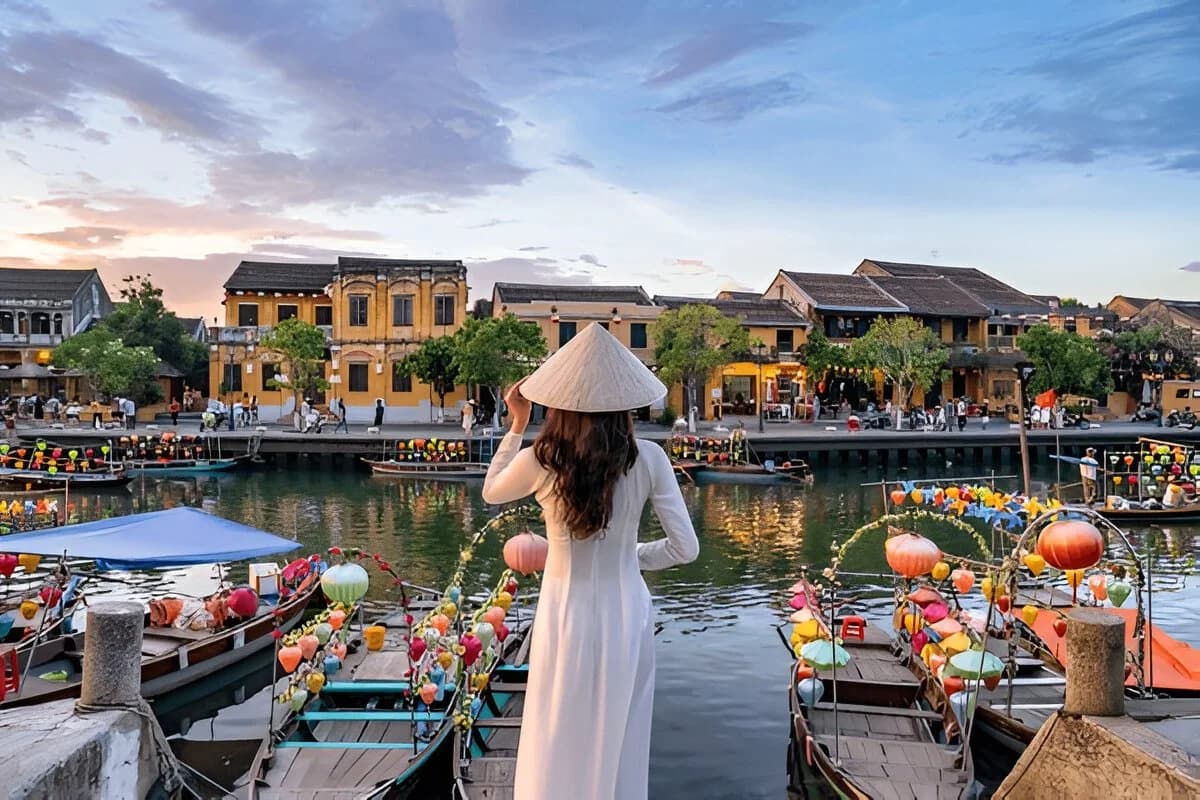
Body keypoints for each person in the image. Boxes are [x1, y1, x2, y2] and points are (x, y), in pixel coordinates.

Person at [481, 323, 698, 800]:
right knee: (621, 733)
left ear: (559, 401)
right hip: (628, 613)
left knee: (558, 731)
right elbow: (686, 549)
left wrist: (517, 422)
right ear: (625, 403)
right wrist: (633, 556)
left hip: (566, 613)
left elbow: (491, 490)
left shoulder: (542, 459)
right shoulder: (652, 459)